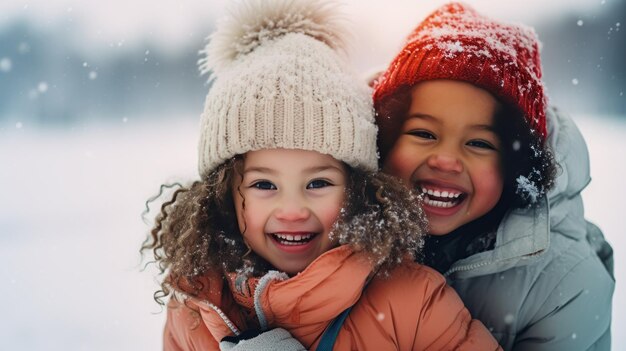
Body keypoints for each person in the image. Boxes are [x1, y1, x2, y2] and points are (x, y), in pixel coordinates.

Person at [142, 0, 502, 350]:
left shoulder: (413, 300)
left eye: (318, 183)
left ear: (359, 190)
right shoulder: (197, 306)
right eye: (264, 184)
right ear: (221, 196)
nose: (293, 210)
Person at [372, 3, 615, 350]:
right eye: (424, 133)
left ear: (515, 165)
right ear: (386, 137)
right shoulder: (330, 224)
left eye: (479, 142)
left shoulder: (564, 282)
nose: (446, 160)